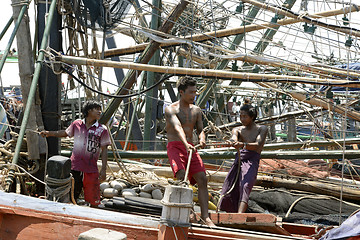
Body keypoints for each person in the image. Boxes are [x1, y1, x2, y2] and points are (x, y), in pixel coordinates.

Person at [165, 77, 215, 227]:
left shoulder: (197, 110)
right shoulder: (170, 109)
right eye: (191, 92)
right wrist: (185, 143)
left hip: (191, 147)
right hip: (175, 146)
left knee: (202, 179)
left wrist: (202, 139)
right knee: (181, 176)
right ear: (181, 92)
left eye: (195, 92)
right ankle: (189, 212)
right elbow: (177, 127)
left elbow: (201, 130)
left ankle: (206, 217)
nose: (194, 95)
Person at [40, 100, 111, 207]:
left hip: (91, 168)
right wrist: (49, 133)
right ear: (88, 111)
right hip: (75, 166)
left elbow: (104, 150)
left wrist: (104, 170)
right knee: (72, 194)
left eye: (100, 109)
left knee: (93, 197)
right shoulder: (77, 124)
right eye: (96, 109)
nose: (99, 112)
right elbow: (65, 133)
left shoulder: (102, 130)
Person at [218, 102, 268, 213]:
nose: (242, 119)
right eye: (240, 116)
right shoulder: (238, 129)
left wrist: (243, 145)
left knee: (246, 185)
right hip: (239, 159)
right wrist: (231, 142)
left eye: (244, 116)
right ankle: (228, 213)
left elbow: (258, 145)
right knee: (230, 185)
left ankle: (240, 215)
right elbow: (234, 138)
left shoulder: (262, 129)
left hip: (252, 160)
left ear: (252, 117)